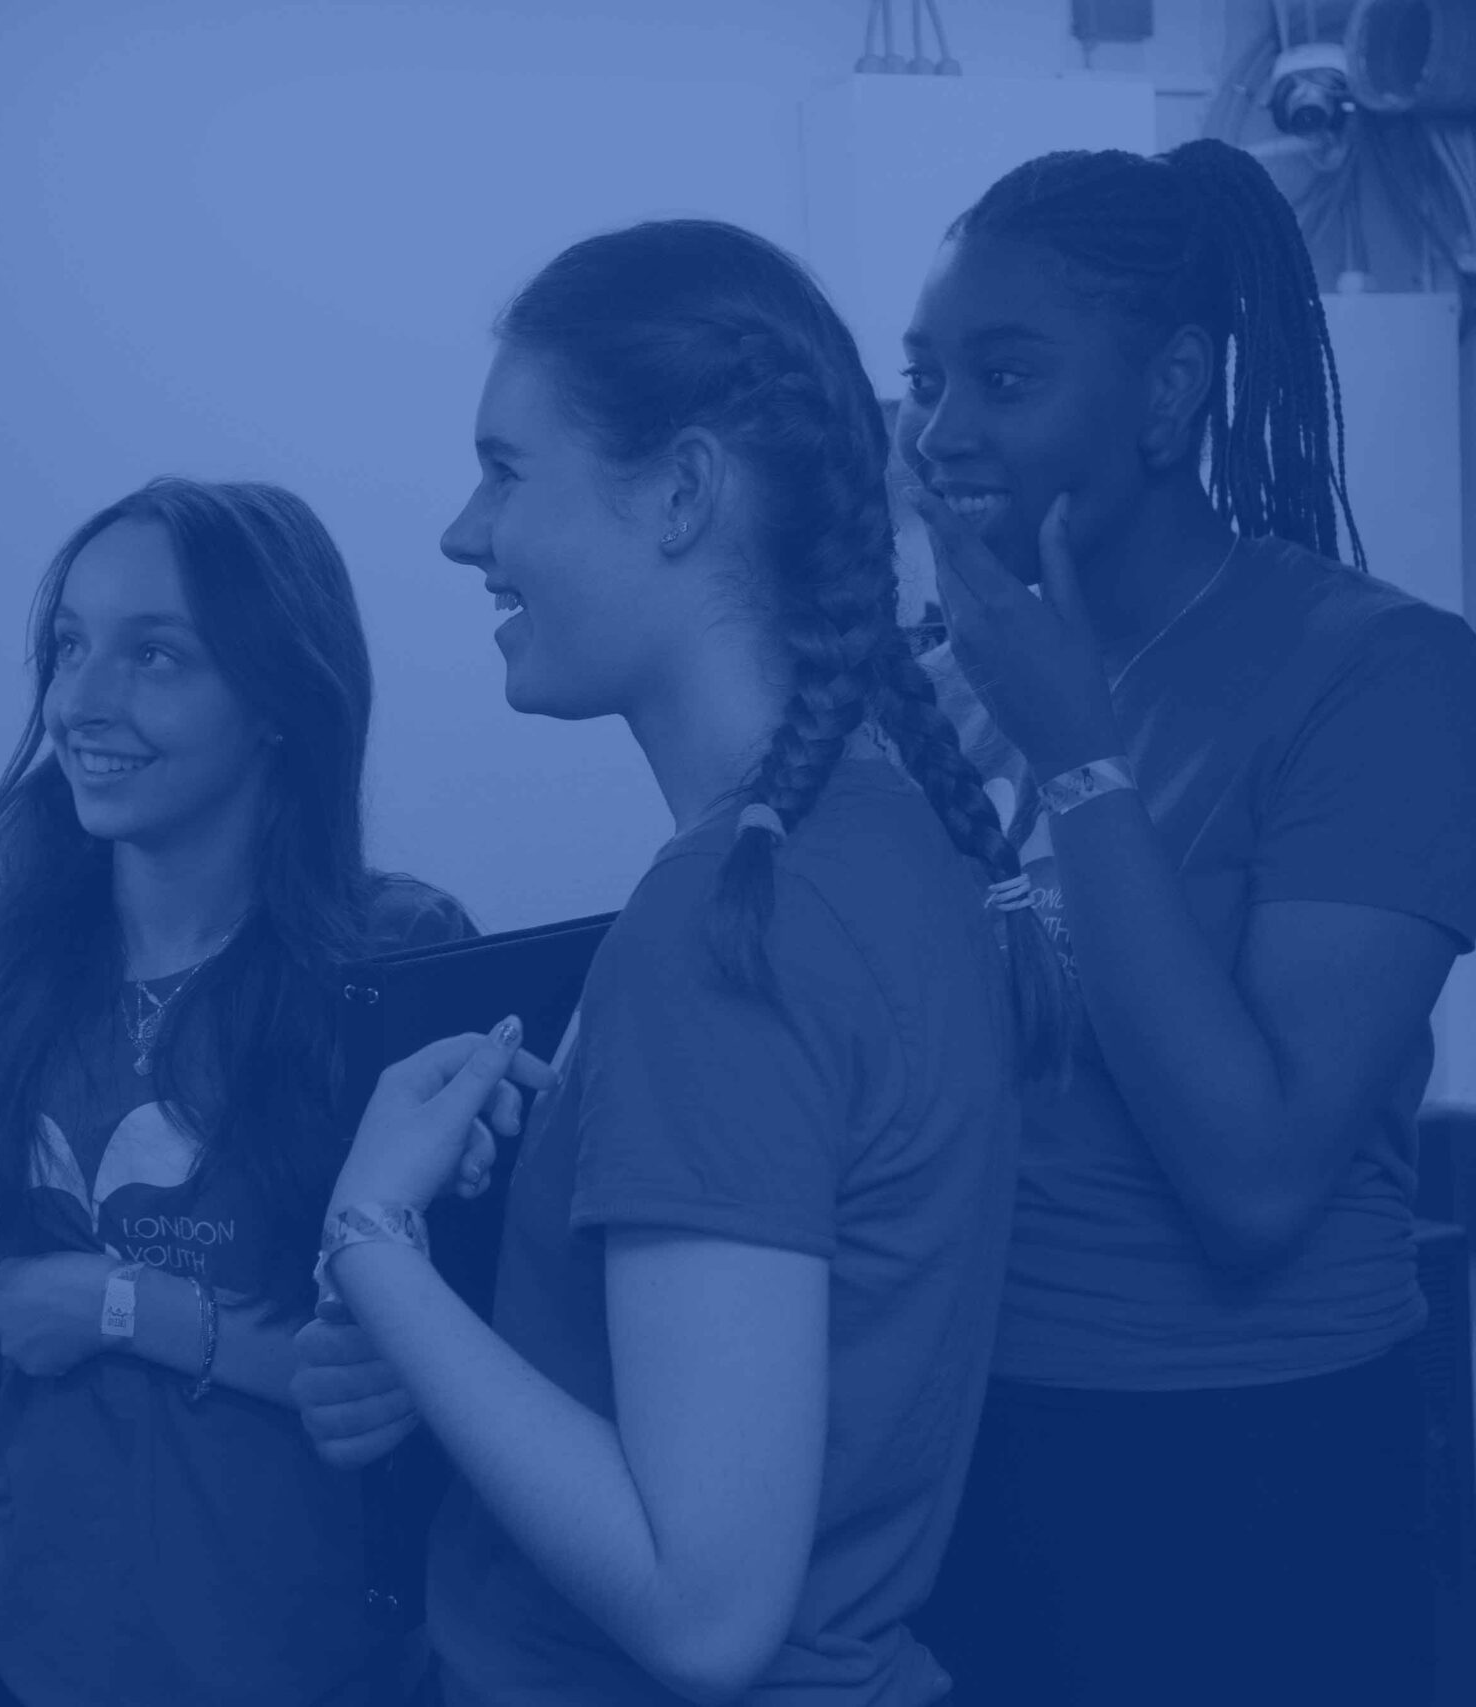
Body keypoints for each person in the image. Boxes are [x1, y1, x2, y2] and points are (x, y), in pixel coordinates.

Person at [293, 220, 1069, 1706]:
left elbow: (705, 1605)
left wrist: (373, 1240)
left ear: (684, 492)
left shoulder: (728, 922)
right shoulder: (884, 839)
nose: (466, 532)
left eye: (506, 471)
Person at [896, 141, 1476, 1707]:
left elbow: (1259, 1172)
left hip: (1243, 1466)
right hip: (962, 1447)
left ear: (1169, 397)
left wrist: (1081, 753)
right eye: (925, 377)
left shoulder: (1385, 675)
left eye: (1004, 378)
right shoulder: (943, 688)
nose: (944, 432)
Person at [0, 477, 492, 1707]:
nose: (82, 704)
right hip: (28, 1664)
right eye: (68, 648)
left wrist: (121, 1304)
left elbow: (437, 1386)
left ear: (276, 700)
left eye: (153, 656)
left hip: (333, 1670)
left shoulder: (399, 961)